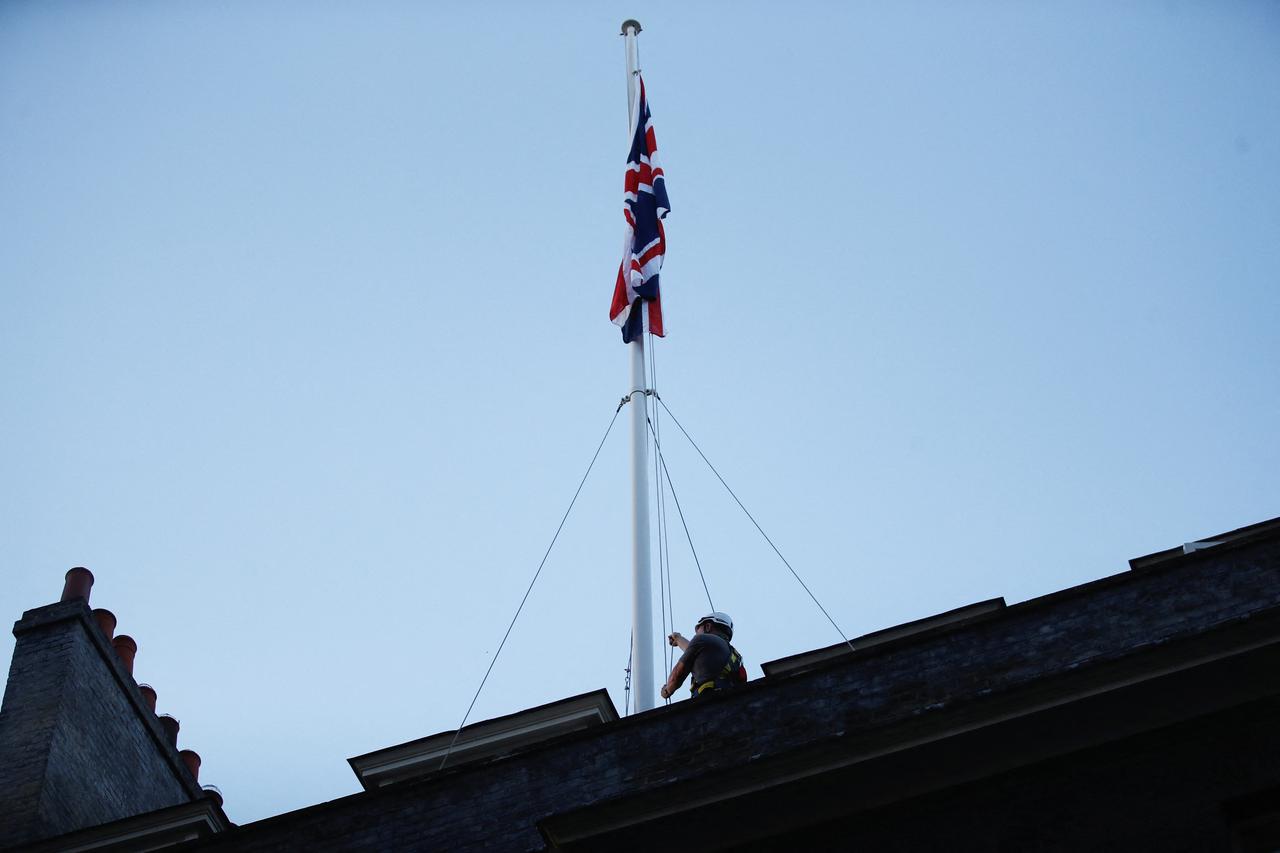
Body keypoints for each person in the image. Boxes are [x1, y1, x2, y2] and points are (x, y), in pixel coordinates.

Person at [659, 611, 748, 700]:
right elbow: (695, 652)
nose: (696, 634)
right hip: (732, 702)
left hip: (711, 703)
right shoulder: (731, 654)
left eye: (698, 629)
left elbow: (677, 675)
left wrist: (667, 690)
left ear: (707, 627)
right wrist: (678, 639)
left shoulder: (702, 640)